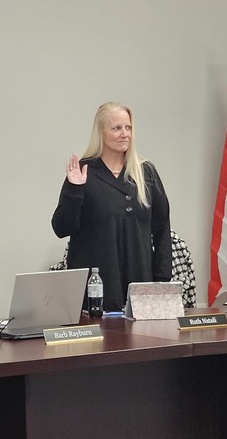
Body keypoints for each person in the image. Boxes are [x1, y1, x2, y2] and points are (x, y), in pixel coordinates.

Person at [52, 102, 171, 312]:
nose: (124, 134)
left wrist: (161, 284)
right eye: (116, 128)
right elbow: (62, 228)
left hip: (140, 290)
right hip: (96, 294)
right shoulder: (83, 172)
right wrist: (74, 189)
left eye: (128, 128)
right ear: (101, 133)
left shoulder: (146, 173)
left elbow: (162, 231)